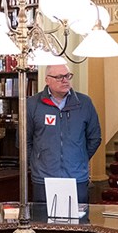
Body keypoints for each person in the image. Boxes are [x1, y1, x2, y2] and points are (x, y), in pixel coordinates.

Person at [26, 63, 101, 204]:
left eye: (67, 76)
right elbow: (25, 141)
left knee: (78, 224)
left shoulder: (84, 103)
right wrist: (38, 161)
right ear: (47, 80)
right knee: (44, 223)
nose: (65, 80)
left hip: (76, 178)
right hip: (43, 178)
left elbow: (95, 138)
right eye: (59, 77)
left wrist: (80, 157)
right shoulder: (32, 104)